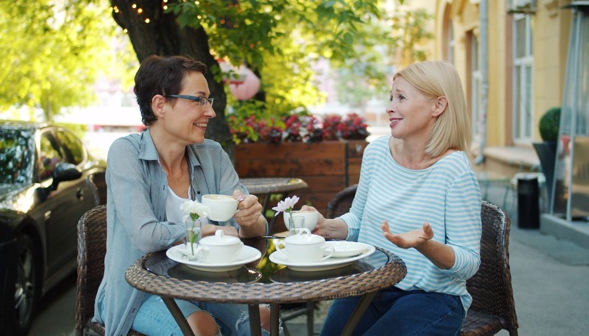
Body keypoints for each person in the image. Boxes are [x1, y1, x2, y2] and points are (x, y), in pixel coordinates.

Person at [93, 55, 270, 336]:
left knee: (263, 317)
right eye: (199, 100)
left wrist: (250, 218)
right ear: (160, 104)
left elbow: (254, 231)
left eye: (209, 100)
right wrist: (204, 229)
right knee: (202, 327)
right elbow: (144, 235)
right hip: (140, 290)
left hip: (205, 285)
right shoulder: (126, 153)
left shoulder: (213, 154)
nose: (210, 111)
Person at [310, 60, 482, 335]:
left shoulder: (455, 171)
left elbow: (469, 262)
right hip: (370, 285)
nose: (390, 106)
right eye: (391, 97)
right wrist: (327, 226)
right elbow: (358, 220)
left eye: (401, 97)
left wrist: (425, 245)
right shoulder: (377, 153)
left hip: (431, 298)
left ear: (438, 106)